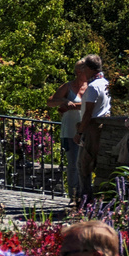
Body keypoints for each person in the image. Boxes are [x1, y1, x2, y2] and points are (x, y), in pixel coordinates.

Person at [47, 59, 88, 202]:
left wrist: (75, 105)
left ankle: (85, 194)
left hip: (87, 129)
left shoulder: (91, 86)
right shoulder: (68, 86)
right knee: (73, 164)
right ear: (79, 72)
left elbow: (92, 105)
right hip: (70, 130)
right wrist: (64, 102)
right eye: (85, 70)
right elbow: (50, 102)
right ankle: (74, 195)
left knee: (85, 163)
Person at [75, 55, 111, 201]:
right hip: (103, 126)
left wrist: (79, 132)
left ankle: (85, 198)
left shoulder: (93, 87)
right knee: (92, 163)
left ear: (89, 68)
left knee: (83, 164)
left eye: (83, 68)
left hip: (92, 129)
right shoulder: (105, 83)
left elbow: (88, 113)